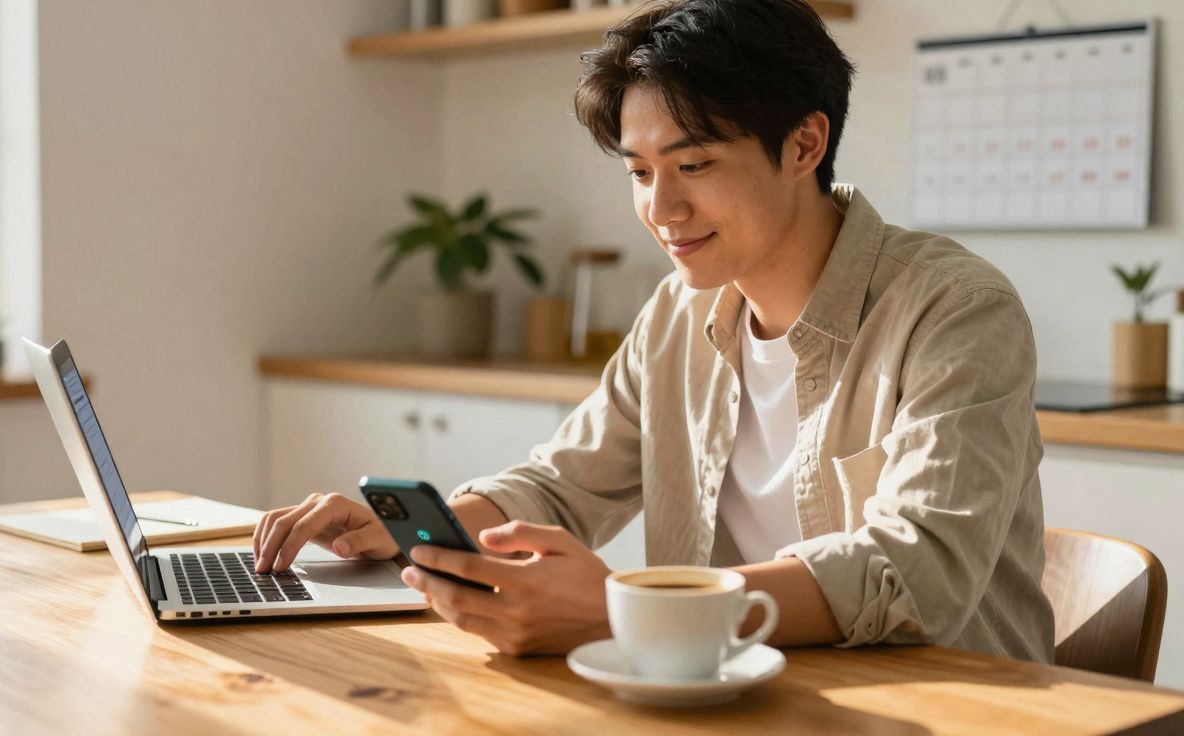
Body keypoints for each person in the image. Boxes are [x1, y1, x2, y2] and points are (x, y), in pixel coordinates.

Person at [253, 0, 1055, 663]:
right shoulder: (678, 312)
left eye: (694, 165)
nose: (661, 211)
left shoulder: (955, 309)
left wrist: (627, 609)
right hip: (727, 697)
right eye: (640, 172)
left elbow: (917, 568)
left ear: (805, 143)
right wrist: (420, 532)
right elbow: (567, 486)